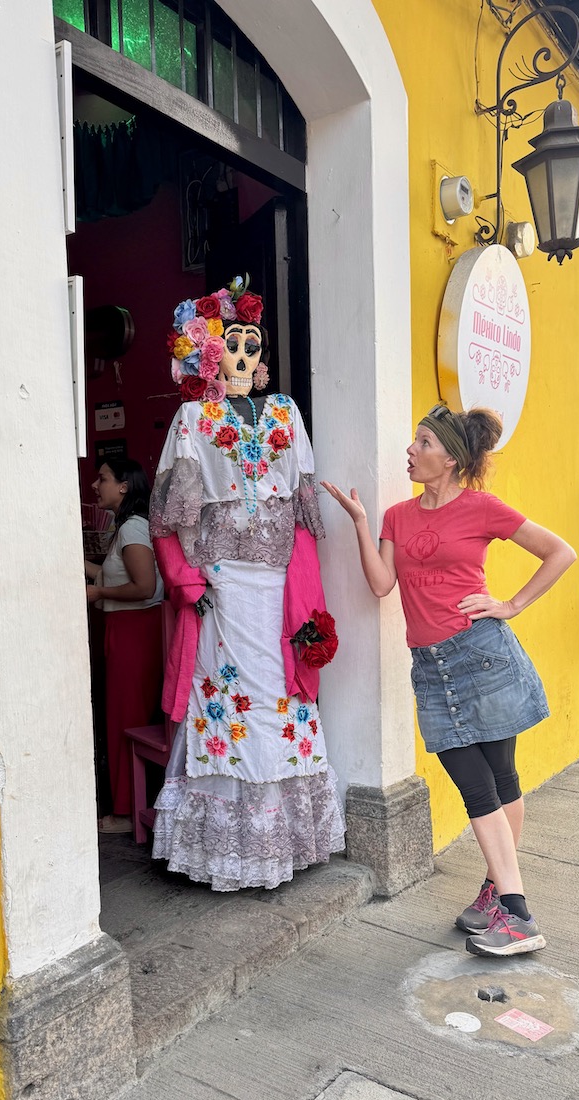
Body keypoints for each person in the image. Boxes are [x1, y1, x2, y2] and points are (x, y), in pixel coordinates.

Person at [322, 403, 576, 955]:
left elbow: (561, 553)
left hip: (482, 655)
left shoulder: (482, 508)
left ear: (452, 459)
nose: (411, 450)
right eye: (414, 441)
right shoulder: (396, 516)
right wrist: (361, 524)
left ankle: (515, 914)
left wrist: (511, 604)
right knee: (479, 783)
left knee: (497, 781)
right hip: (432, 667)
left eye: (424, 443)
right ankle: (499, 895)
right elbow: (382, 584)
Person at [149, 276, 345, 891]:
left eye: (251, 344)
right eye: (230, 343)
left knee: (282, 697)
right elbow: (167, 518)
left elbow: (303, 511)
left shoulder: (286, 413)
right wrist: (186, 581)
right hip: (223, 588)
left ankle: (284, 839)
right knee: (230, 703)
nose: (241, 354)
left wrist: (309, 598)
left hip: (279, 587)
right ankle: (225, 848)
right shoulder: (192, 418)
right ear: (208, 353)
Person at [85, 458, 164, 834]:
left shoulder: (133, 528)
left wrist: (98, 593)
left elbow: (144, 588)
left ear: (124, 486)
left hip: (134, 632)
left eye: (102, 478)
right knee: (125, 717)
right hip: (128, 630)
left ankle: (127, 812)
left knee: (125, 720)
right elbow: (112, 574)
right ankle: (129, 806)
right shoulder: (129, 527)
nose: (95, 485)